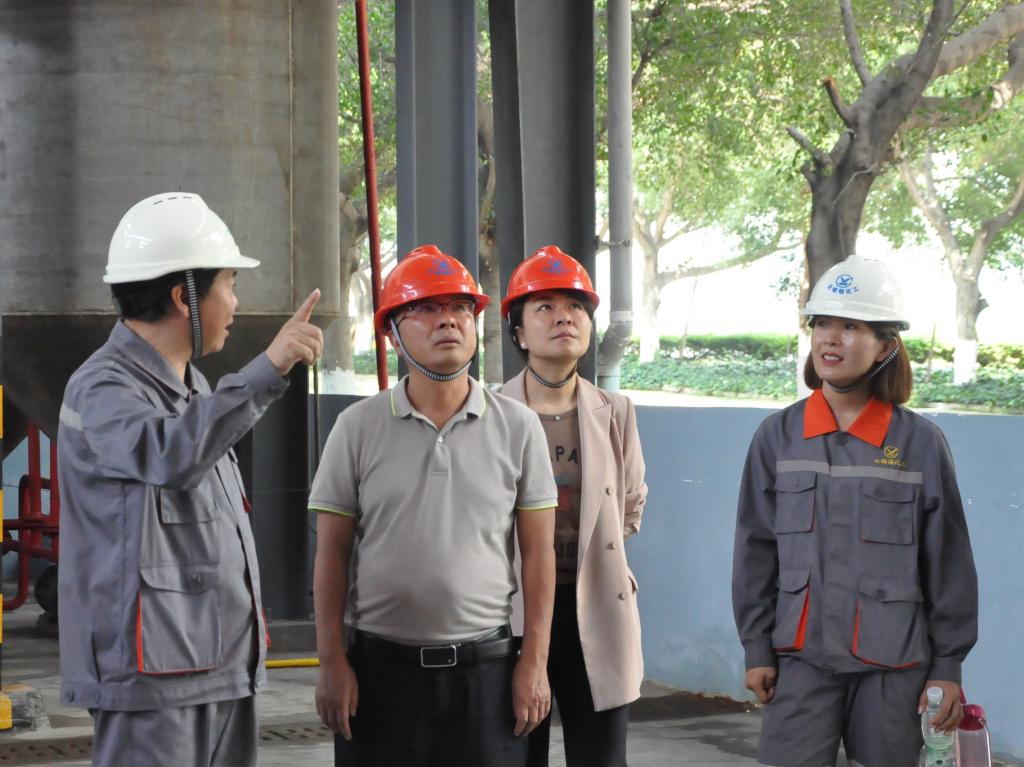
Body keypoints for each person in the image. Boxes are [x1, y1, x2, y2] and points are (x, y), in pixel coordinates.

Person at [57, 192, 323, 767]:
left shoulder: (194, 387)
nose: (236, 302)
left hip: (219, 665)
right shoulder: (102, 388)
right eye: (229, 284)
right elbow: (169, 453)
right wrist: (267, 369)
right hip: (152, 677)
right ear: (185, 298)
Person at [310, 244, 558, 767]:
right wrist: (332, 662)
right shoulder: (356, 427)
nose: (448, 320)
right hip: (379, 676)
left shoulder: (519, 427)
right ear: (391, 334)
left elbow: (539, 555)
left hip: (486, 676)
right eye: (425, 308)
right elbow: (331, 554)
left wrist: (534, 663)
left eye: (460, 308)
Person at [732, 253, 978, 767]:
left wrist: (947, 665)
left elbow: (948, 563)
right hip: (801, 660)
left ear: (886, 346)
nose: (830, 338)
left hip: (895, 666)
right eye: (822, 323)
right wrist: (756, 647)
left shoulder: (921, 443)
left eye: (850, 326)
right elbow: (755, 551)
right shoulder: (777, 437)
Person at [500, 245, 648, 767]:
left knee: (600, 757)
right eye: (544, 306)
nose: (564, 316)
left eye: (576, 307)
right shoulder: (491, 412)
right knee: (515, 753)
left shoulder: (616, 411)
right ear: (519, 333)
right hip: (512, 612)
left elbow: (630, 504)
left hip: (595, 604)